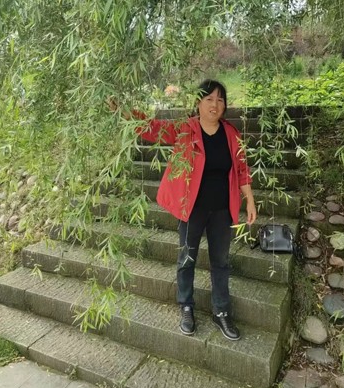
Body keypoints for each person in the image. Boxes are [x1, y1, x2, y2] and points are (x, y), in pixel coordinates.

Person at [110, 79, 256, 341]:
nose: (215, 104)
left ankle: (221, 311)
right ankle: (186, 306)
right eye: (209, 99)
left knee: (221, 262)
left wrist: (250, 199)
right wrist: (124, 111)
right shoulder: (185, 129)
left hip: (222, 211)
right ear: (198, 103)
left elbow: (242, 168)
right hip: (192, 209)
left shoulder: (232, 134)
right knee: (186, 259)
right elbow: (152, 129)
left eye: (220, 100)